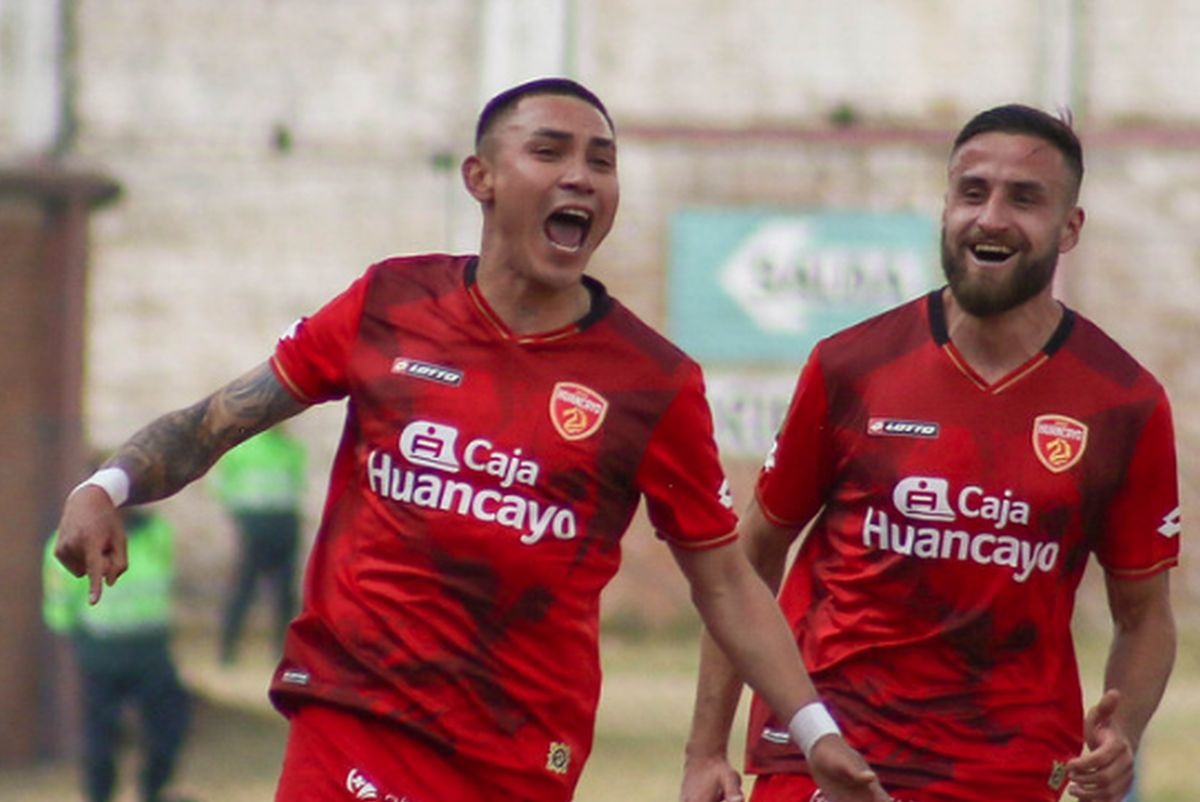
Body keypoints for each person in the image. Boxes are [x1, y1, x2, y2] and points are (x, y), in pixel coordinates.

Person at [52, 78, 891, 802]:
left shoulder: (652, 381)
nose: (581, 175)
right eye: (551, 151)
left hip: (518, 748)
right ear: (480, 178)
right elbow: (220, 419)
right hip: (358, 712)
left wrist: (813, 729)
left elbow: (727, 585)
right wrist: (107, 487)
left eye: (602, 161)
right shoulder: (391, 303)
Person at [680, 104, 1180, 802]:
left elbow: (1145, 615)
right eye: (972, 192)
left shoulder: (1124, 401)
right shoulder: (851, 365)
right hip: (827, 754)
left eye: (1025, 198)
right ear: (946, 207)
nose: (991, 217)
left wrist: (1122, 731)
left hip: (1005, 769)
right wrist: (706, 748)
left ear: (1070, 229)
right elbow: (752, 561)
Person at [43, 506, 193, 802]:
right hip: (101, 653)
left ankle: (154, 790)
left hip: (151, 650)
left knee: (170, 727)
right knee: (100, 741)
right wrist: (80, 647)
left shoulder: (157, 533)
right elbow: (59, 606)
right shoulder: (70, 540)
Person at [210, 424, 306, 663]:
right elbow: (221, 485)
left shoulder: (291, 448)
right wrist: (240, 518)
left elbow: (295, 487)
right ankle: (227, 649)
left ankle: (282, 651)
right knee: (244, 588)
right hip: (255, 524)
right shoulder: (244, 449)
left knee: (284, 593)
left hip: (284, 523)